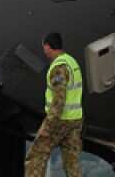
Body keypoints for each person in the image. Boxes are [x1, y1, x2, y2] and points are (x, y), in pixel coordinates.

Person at [24, 32, 84, 177]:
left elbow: (59, 99)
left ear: (48, 46)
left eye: (44, 48)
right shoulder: (72, 62)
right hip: (75, 120)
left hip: (60, 119)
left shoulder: (59, 67)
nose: (44, 52)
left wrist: (49, 124)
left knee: (36, 156)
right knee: (72, 163)